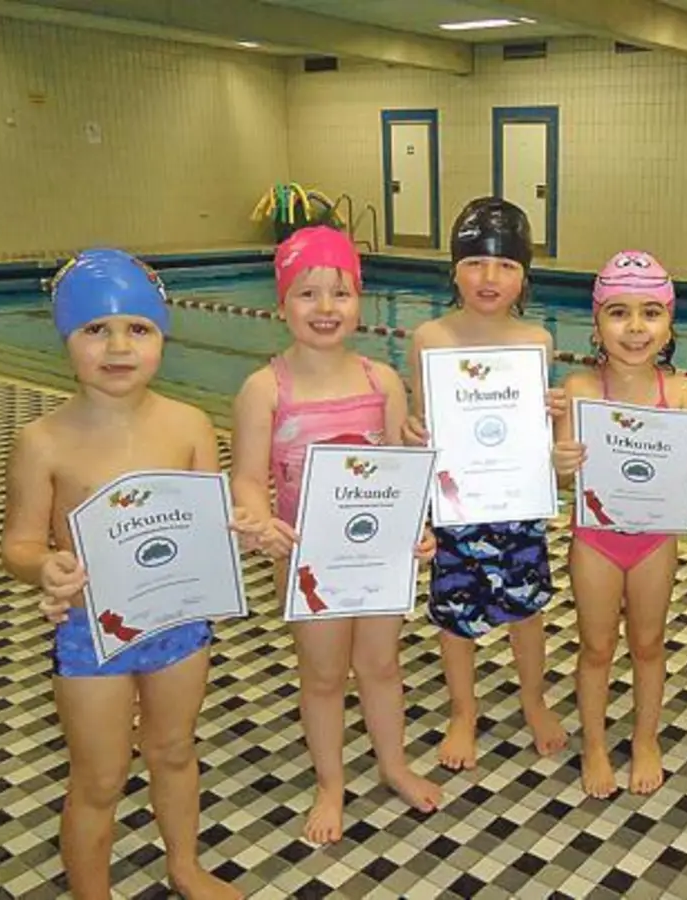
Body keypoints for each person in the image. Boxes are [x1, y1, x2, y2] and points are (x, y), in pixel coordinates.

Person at [0, 249, 241, 899]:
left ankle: (184, 866)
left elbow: (206, 523)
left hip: (177, 622)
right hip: (91, 634)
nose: (117, 346)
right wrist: (42, 567)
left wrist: (240, 527)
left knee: (173, 751)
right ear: (65, 339)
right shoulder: (42, 442)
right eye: (94, 330)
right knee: (100, 778)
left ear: (162, 337)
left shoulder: (190, 425)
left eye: (138, 329)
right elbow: (18, 545)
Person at [228, 225, 440, 846]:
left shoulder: (382, 384)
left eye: (339, 293)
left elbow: (406, 476)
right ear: (281, 303)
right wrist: (258, 520)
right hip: (306, 560)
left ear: (360, 300)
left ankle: (393, 764)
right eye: (307, 294)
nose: (325, 309)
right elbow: (246, 477)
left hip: (377, 556)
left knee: (380, 665)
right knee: (321, 676)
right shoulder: (266, 389)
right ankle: (330, 782)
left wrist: (420, 527)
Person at [550, 251, 687, 797]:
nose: (635, 328)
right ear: (597, 323)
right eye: (619, 313)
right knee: (596, 647)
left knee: (650, 643)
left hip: (654, 541)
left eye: (651, 312)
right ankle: (596, 746)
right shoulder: (579, 389)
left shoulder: (681, 393)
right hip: (596, 541)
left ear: (670, 323)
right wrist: (557, 465)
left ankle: (646, 738)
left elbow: (685, 475)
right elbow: (560, 479)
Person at [403, 197, 569, 770]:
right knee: (455, 615)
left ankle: (533, 700)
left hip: (516, 498)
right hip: (454, 502)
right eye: (475, 263)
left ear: (525, 274)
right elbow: (421, 425)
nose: (489, 278)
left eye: (504, 265)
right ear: (454, 269)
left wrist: (554, 411)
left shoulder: (537, 340)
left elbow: (544, 435)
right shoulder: (430, 338)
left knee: (526, 608)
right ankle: (463, 711)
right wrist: (411, 427)